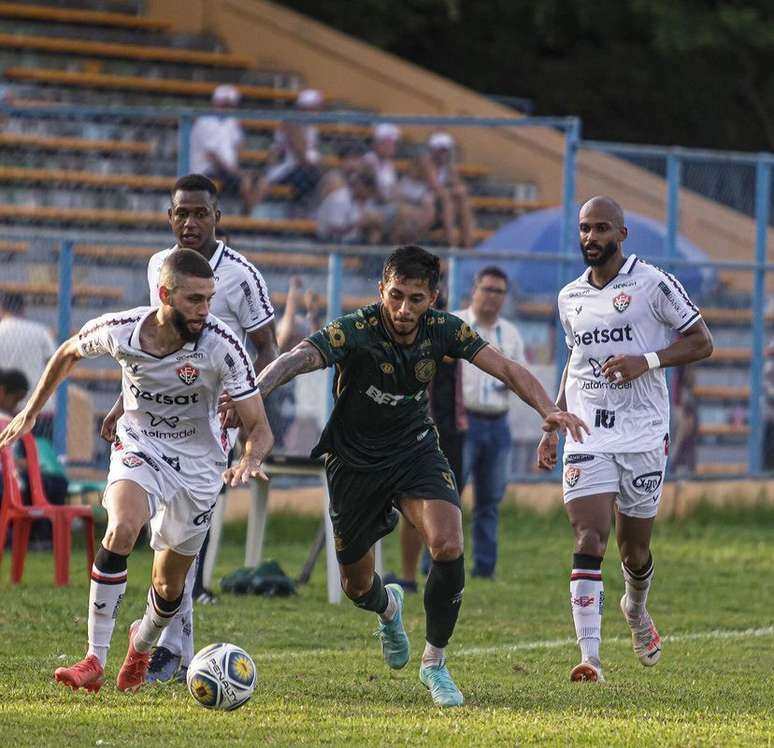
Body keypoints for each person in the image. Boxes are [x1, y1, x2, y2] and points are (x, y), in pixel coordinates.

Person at [255, 244, 588, 706]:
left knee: (449, 544)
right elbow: (296, 358)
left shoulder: (444, 329)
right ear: (381, 290)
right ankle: (389, 608)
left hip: (414, 449)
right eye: (395, 296)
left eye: (415, 298)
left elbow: (508, 369)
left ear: (433, 297)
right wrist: (253, 394)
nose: (403, 309)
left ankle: (435, 663)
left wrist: (549, 410)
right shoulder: (357, 328)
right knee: (356, 586)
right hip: (353, 461)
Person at [0, 249, 274, 694]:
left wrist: (251, 457)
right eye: (193, 300)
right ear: (164, 295)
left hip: (200, 467)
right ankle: (94, 657)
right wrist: (32, 410)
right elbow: (69, 351)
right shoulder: (122, 330)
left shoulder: (222, 344)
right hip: (140, 445)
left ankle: (141, 644)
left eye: (209, 299)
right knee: (122, 528)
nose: (204, 311)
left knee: (169, 587)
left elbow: (260, 426)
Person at [102, 173, 278, 683]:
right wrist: (120, 404)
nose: (190, 222)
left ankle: (169, 648)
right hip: (154, 419)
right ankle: (170, 647)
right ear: (170, 216)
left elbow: (267, 347)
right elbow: (151, 349)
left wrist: (248, 399)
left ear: (217, 217)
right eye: (181, 212)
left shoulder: (243, 276)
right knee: (164, 535)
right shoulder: (161, 266)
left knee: (180, 537)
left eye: (200, 213)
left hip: (210, 423)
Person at [537, 195, 713, 683]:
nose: (590, 238)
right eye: (584, 229)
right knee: (588, 536)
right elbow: (574, 363)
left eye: (600, 229)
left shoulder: (653, 283)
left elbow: (703, 341)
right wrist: (554, 420)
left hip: (643, 434)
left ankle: (635, 611)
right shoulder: (569, 296)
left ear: (621, 233)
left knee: (633, 553)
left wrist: (647, 361)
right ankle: (590, 657)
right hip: (587, 431)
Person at [384, 293, 468, 592]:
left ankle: (441, 575)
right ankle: (408, 578)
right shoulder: (398, 342)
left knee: (449, 506)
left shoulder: (447, 337)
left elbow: (448, 354)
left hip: (450, 432)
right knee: (412, 508)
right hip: (415, 434)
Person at [455, 266, 526, 579]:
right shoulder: (455, 324)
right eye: (487, 289)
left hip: (497, 421)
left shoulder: (509, 333)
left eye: (499, 291)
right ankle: (437, 564)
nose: (492, 297)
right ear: (474, 289)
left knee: (490, 500)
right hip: (461, 421)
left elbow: (520, 374)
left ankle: (484, 568)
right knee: (447, 495)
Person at [249, 88, 324, 211]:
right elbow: (301, 154)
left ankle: (305, 212)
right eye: (315, 107)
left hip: (299, 168)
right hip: (284, 167)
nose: (319, 110)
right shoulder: (292, 122)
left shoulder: (311, 126)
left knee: (316, 176)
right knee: (313, 176)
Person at [189, 84, 254, 214]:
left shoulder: (231, 121)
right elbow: (212, 157)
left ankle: (246, 215)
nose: (228, 108)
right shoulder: (205, 121)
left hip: (225, 169)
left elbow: (238, 145)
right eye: (225, 104)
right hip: (206, 169)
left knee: (256, 179)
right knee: (245, 180)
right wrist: (236, 172)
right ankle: (246, 217)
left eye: (230, 104)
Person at [0, 293, 57, 439]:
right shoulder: (41, 332)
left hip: (6, 407)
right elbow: (55, 364)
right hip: (38, 408)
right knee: (39, 455)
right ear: (23, 309)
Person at [419, 132, 476, 248]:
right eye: (441, 150)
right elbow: (435, 187)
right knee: (447, 198)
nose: (443, 154)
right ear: (433, 150)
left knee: (462, 199)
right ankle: (451, 242)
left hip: (441, 200)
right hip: (423, 199)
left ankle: (467, 242)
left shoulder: (448, 166)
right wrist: (455, 190)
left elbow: (458, 184)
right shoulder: (426, 163)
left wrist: (457, 190)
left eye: (445, 150)